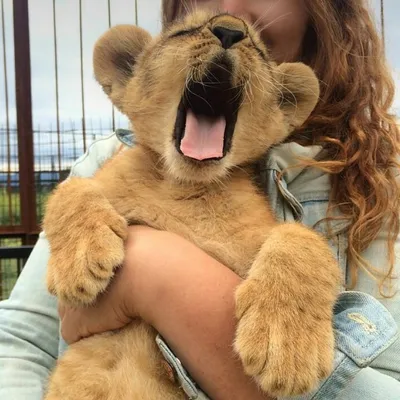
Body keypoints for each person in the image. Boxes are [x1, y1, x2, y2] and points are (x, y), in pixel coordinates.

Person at [1, 0, 399, 399]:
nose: (229, 25)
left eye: (258, 50)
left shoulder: (376, 184)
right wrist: (72, 209)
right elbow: (21, 343)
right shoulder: (101, 170)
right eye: (185, 33)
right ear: (127, 75)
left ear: (281, 109)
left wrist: (151, 274)